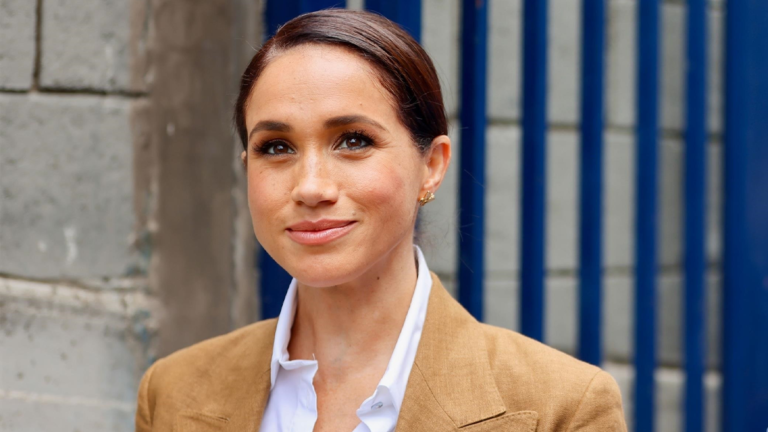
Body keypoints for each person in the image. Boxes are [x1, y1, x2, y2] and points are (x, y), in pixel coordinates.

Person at [134, 9, 626, 432]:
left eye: (353, 140)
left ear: (431, 165)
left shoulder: (560, 407)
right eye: (276, 147)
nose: (310, 187)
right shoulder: (173, 393)